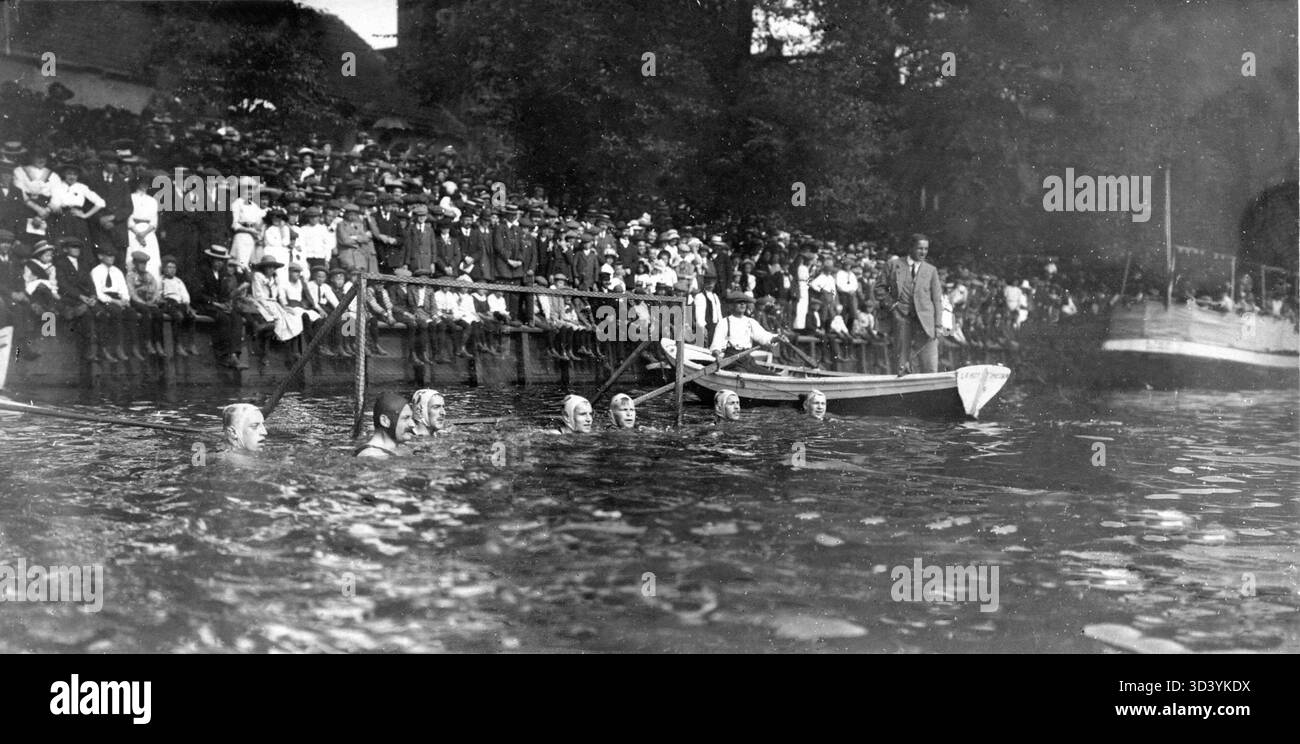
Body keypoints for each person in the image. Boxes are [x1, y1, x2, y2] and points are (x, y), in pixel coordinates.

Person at [884, 234, 943, 375]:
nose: (923, 252)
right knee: (902, 366)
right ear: (910, 248)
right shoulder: (893, 265)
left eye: (926, 249)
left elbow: (937, 300)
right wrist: (892, 307)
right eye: (919, 248)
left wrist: (938, 325)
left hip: (926, 324)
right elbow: (879, 289)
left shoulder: (931, 270)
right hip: (903, 320)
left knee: (930, 366)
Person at [709, 291, 781, 371]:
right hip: (732, 361)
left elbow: (763, 336)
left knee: (767, 374)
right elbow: (717, 343)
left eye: (744, 302)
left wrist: (776, 338)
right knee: (741, 373)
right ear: (731, 305)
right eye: (739, 302)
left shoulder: (750, 322)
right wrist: (717, 355)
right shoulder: (724, 322)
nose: (742, 304)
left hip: (747, 360)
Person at [356, 392, 413, 458]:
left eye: (411, 418)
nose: (412, 424)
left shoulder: (400, 450)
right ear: (384, 421)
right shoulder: (371, 456)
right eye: (406, 418)